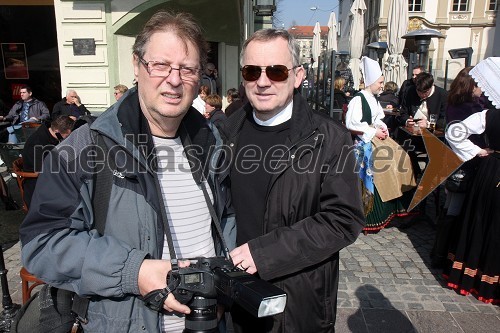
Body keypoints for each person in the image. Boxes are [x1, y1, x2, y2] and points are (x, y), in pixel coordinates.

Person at [20, 11, 235, 332]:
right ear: (137, 65)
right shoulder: (84, 149)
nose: (174, 79)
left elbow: (226, 218)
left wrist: (225, 288)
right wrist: (134, 271)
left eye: (187, 68)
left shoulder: (212, 140)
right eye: (160, 65)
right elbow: (41, 244)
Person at [220, 28, 365, 333]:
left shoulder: (329, 138)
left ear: (297, 76)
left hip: (294, 303)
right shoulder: (223, 132)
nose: (262, 81)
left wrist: (263, 253)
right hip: (231, 298)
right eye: (252, 71)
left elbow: (343, 220)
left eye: (275, 71)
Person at [443, 57, 499, 304]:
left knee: (483, 222)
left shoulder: (489, 115)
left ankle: (475, 277)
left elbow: (454, 132)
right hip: (492, 172)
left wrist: (477, 152)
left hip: (491, 170)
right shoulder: (487, 114)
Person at [345, 57, 416, 232]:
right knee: (387, 166)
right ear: (371, 82)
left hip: (376, 137)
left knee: (402, 158)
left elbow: (378, 118)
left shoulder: (373, 98)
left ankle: (399, 207)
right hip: (364, 142)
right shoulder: (358, 99)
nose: (382, 86)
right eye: (380, 82)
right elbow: (350, 124)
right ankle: (374, 214)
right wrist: (373, 131)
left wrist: (382, 128)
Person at [21, 115, 75, 208]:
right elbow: (39, 171)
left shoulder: (51, 135)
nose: (67, 138)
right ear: (57, 131)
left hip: (49, 174)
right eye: (66, 136)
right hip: (37, 183)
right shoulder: (38, 143)